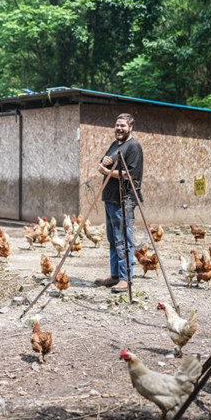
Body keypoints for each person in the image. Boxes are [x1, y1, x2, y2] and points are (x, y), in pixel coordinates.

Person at [94, 113, 144, 293]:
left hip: (124, 200)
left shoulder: (134, 147)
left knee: (123, 239)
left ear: (131, 127)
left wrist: (106, 171)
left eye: (123, 126)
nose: (119, 129)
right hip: (110, 198)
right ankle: (115, 275)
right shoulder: (115, 144)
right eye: (117, 125)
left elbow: (130, 175)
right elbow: (106, 164)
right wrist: (103, 164)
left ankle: (125, 278)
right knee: (113, 239)